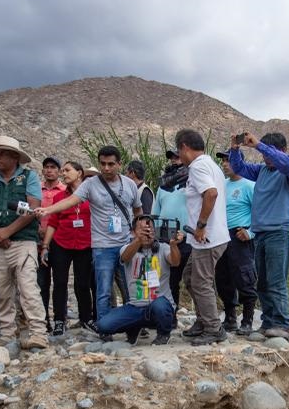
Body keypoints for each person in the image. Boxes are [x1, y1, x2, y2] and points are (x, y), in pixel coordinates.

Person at [36, 145, 141, 327]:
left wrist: (138, 232)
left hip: (125, 244)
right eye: (103, 164)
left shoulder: (130, 184)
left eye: (111, 164)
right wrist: (47, 210)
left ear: (119, 164)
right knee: (103, 291)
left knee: (130, 287)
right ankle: (104, 326)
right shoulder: (90, 185)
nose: (106, 168)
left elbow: (138, 209)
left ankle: (134, 325)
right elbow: (70, 201)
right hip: (101, 246)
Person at [0, 135, 49, 350]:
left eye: (1, 154)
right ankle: (7, 333)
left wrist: (5, 232)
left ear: (14, 157)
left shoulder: (29, 177)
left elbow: (33, 208)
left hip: (24, 242)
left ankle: (38, 333)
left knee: (28, 288)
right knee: (3, 292)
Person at [229, 132, 289, 338]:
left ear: (283, 151)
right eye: (264, 153)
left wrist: (260, 145)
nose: (266, 157)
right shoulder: (262, 171)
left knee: (276, 280)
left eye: (271, 152)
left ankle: (281, 324)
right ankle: (268, 322)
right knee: (262, 281)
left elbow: (284, 163)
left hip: (280, 231)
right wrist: (235, 148)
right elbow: (238, 168)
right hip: (261, 233)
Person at [176, 129, 230, 346]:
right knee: (190, 277)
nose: (180, 157)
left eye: (180, 152)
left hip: (208, 237)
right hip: (211, 237)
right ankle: (203, 320)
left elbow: (211, 193)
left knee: (200, 281)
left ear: (184, 147)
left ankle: (213, 328)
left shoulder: (198, 166)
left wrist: (201, 225)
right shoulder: (210, 164)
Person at [95, 215, 181, 345]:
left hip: (159, 304)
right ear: (133, 232)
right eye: (141, 229)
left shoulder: (163, 248)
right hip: (135, 306)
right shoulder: (127, 248)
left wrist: (174, 245)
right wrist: (138, 241)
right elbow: (125, 257)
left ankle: (163, 334)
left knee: (160, 305)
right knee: (103, 325)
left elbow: (175, 262)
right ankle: (134, 327)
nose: (147, 232)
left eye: (150, 229)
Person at [40, 161, 95, 335]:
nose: (64, 173)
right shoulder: (58, 198)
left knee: (83, 283)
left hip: (86, 244)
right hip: (61, 243)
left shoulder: (92, 196)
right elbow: (52, 223)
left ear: (79, 173)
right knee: (60, 282)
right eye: (62, 170)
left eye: (67, 170)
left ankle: (86, 318)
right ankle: (59, 320)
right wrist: (46, 246)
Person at [214, 151, 258, 335]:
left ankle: (247, 320)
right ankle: (230, 318)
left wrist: (251, 232)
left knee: (244, 277)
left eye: (229, 160)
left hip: (240, 235)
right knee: (222, 277)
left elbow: (260, 211)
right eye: (223, 161)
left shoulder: (249, 185)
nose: (225, 164)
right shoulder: (222, 185)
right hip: (222, 235)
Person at [151, 148, 191, 320]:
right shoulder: (163, 186)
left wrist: (188, 232)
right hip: (165, 238)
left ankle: (206, 318)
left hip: (187, 237)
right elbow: (156, 212)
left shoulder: (193, 181)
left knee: (193, 280)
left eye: (177, 156)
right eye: (172, 158)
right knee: (168, 280)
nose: (174, 160)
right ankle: (170, 316)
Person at [37, 156, 66, 332]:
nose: (49, 170)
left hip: (59, 241)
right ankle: (43, 320)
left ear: (59, 171)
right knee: (41, 282)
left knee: (60, 282)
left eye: (53, 167)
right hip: (38, 241)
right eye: (46, 167)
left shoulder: (64, 191)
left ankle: (60, 319)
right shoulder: (35, 190)